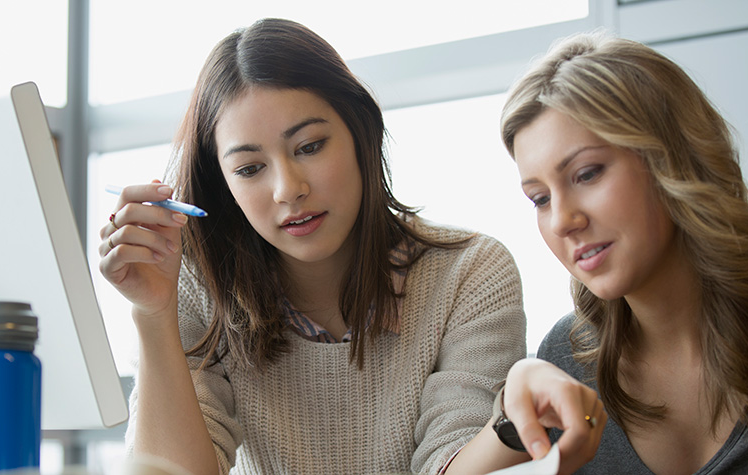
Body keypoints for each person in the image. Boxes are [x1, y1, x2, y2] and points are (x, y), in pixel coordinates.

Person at [97, 18, 526, 475]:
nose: (288, 189)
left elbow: (459, 458)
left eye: (310, 146)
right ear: (223, 186)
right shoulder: (196, 290)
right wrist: (152, 312)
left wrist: (515, 423)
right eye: (248, 169)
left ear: (362, 133)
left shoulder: (470, 274)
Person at [480, 30, 748, 474]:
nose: (563, 220)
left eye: (587, 173)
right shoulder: (565, 361)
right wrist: (509, 412)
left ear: (671, 159)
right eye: (540, 199)